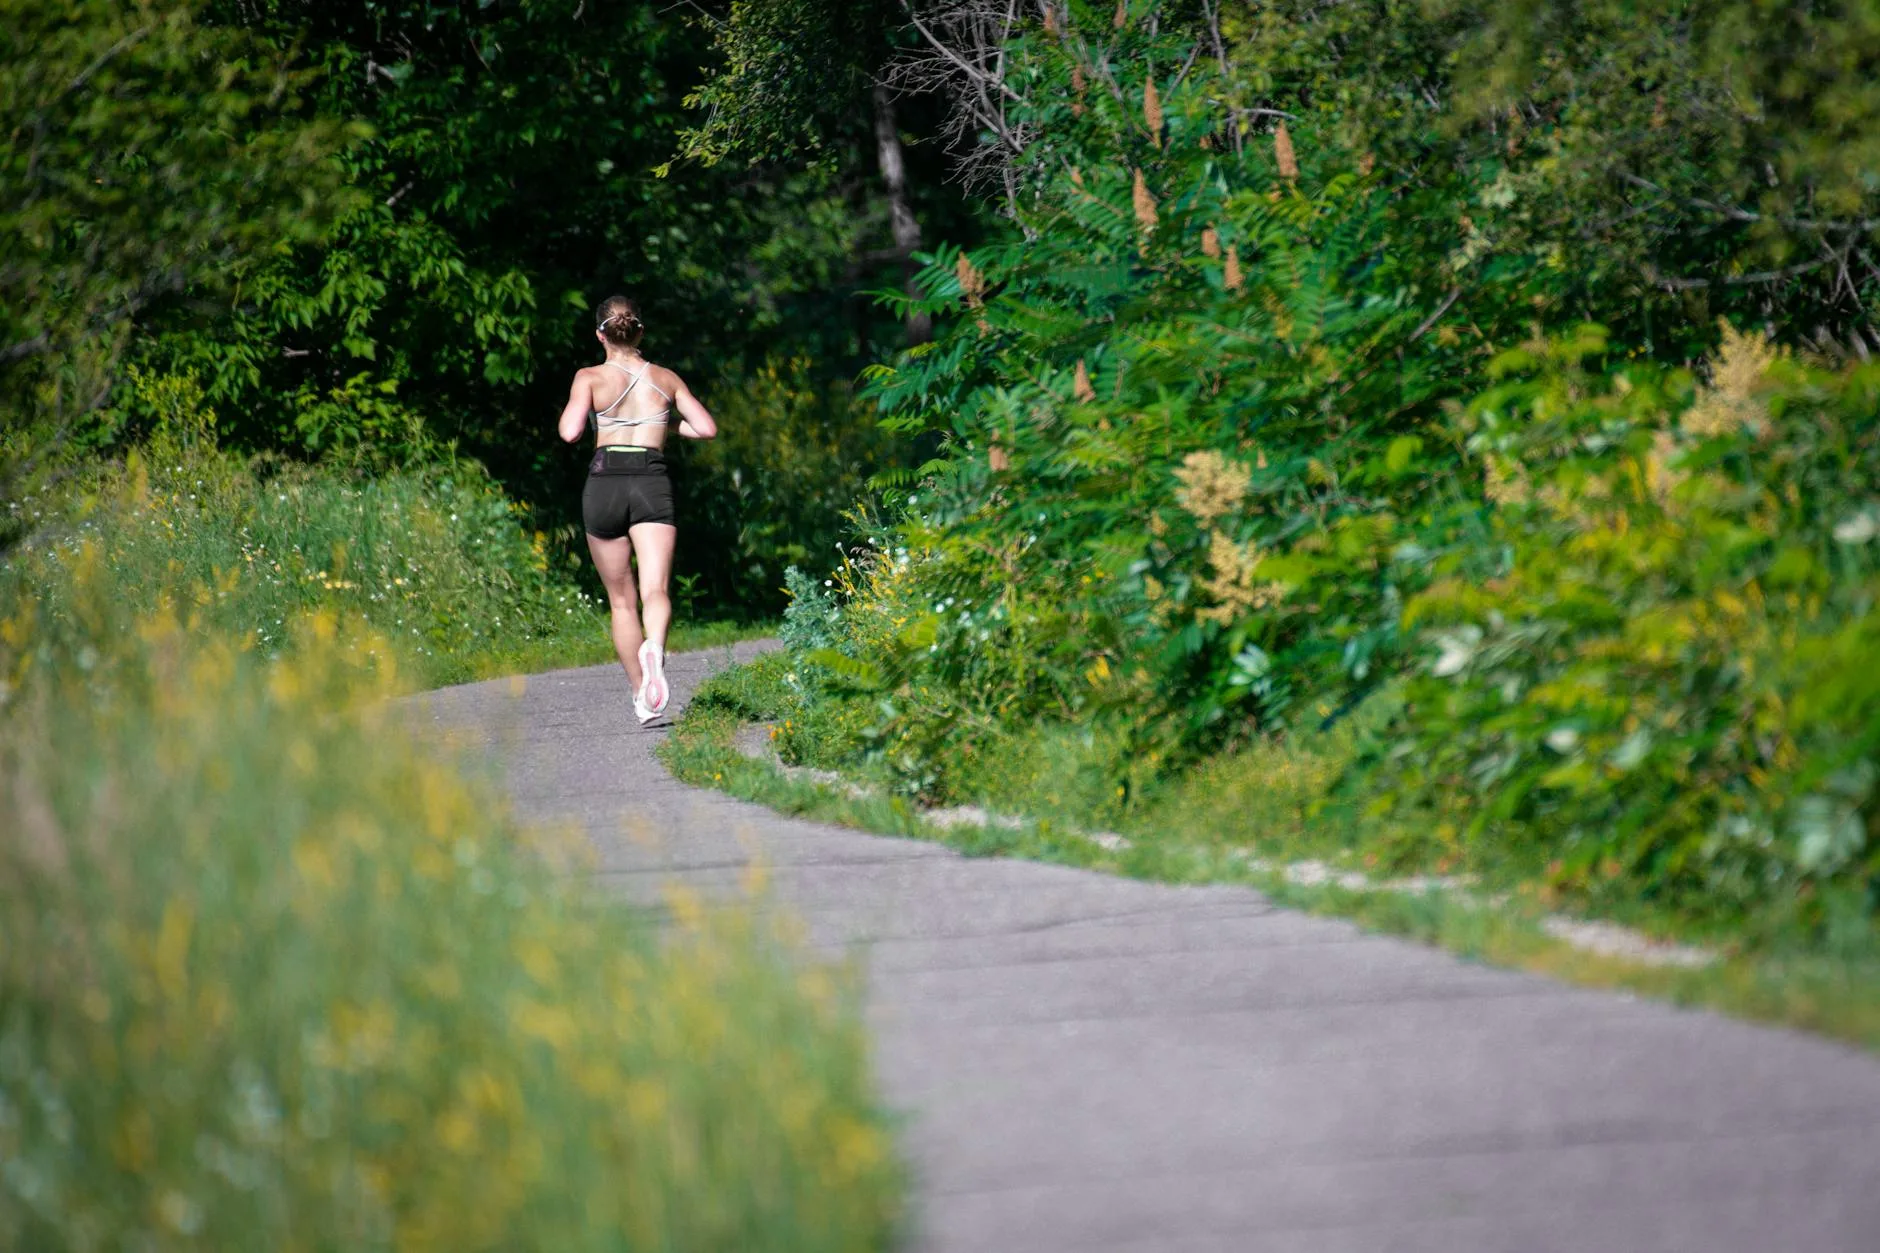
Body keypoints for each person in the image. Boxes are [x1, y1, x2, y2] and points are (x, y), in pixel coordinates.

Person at [558, 295, 717, 724]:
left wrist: (597, 416)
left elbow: (570, 431)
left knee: (622, 602)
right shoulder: (666, 378)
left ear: (600, 335)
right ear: (640, 331)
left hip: (605, 480)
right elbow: (705, 428)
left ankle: (642, 696)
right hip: (651, 480)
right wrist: (661, 423)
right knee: (655, 592)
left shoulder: (589, 377)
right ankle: (656, 649)